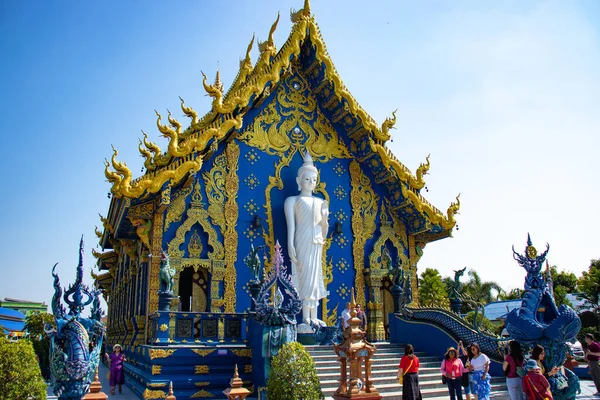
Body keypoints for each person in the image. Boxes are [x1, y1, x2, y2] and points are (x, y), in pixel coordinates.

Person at [284, 151, 328, 325]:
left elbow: (323, 229)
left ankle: (314, 316)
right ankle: (305, 318)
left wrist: (325, 222)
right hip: (301, 240)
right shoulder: (292, 201)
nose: (311, 183)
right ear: (299, 180)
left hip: (316, 242)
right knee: (304, 276)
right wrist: (290, 244)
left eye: (314, 180)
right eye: (307, 179)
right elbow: (291, 227)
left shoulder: (320, 201)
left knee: (315, 277)